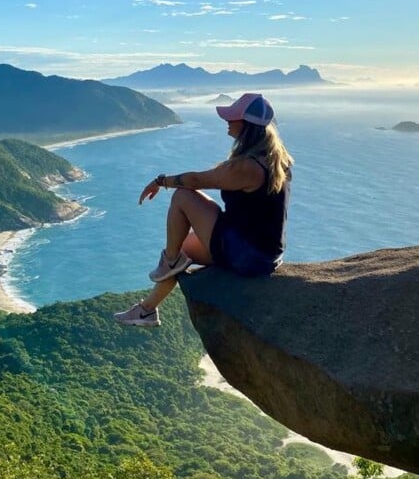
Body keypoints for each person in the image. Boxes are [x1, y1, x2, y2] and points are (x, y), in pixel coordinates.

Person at [114, 92, 293, 327]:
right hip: (265, 253)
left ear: (247, 125)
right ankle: (147, 310)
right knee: (182, 249)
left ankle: (168, 261)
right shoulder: (276, 159)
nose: (227, 121)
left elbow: (196, 181)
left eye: (232, 117)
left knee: (182, 197)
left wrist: (160, 181)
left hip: (247, 255)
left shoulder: (248, 167)